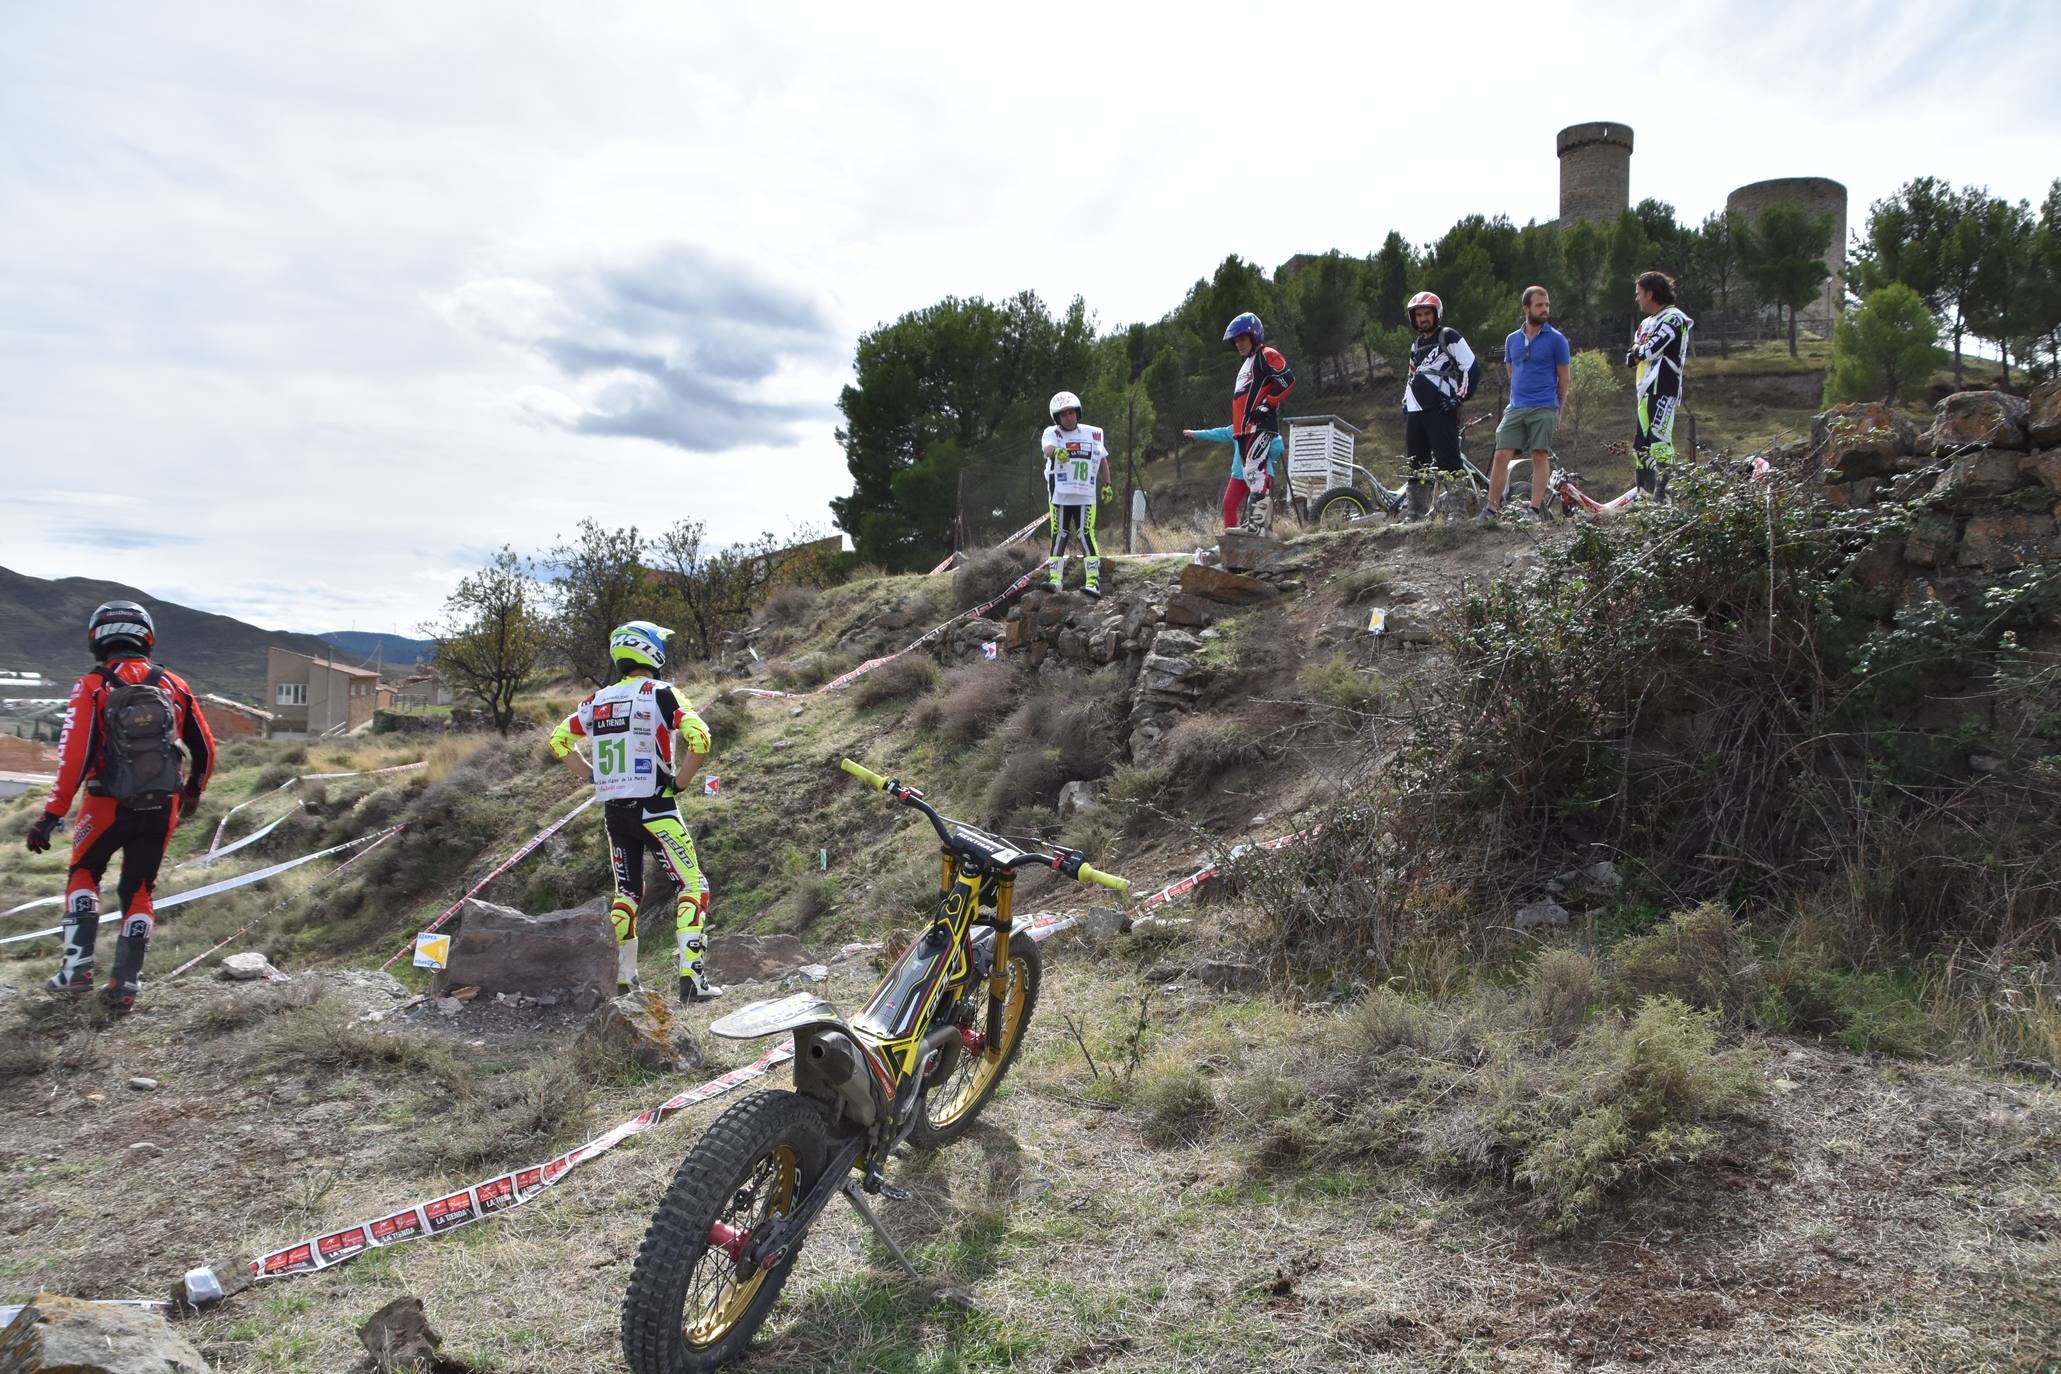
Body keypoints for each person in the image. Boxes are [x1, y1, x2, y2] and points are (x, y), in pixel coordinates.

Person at [27, 601, 216, 1012]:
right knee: (141, 888)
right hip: (161, 805)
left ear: (97, 638)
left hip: (105, 803)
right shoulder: (175, 685)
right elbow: (205, 748)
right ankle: (126, 984)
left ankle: (76, 970)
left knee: (84, 872)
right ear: (146, 637)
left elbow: (73, 757)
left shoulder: (92, 685)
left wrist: (52, 815)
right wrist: (192, 793)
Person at [548, 621, 720, 1003]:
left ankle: (625, 982)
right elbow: (700, 737)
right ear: (651, 651)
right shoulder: (661, 693)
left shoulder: (594, 702)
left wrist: (592, 776)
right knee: (693, 886)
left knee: (626, 893)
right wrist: (681, 782)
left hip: (615, 812)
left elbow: (559, 741)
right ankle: (692, 981)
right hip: (656, 806)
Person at [1481, 285, 1571, 524]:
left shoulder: (1557, 340)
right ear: (1526, 308)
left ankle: (1533, 510)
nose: (1545, 309)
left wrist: (1558, 410)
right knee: (1501, 455)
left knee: (1539, 455)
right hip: (1516, 407)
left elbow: (1564, 378)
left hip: (1545, 407)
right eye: (1540, 305)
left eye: (1547, 305)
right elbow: (1512, 371)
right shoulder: (1512, 339)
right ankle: (1490, 510)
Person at [1400, 290, 1477, 519]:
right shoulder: (1416, 345)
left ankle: (1457, 513)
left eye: (1427, 313)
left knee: (1448, 460)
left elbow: (1471, 367)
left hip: (1441, 408)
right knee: (1416, 464)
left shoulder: (1449, 336)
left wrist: (1460, 398)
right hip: (1416, 412)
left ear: (1436, 314)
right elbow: (1411, 375)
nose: (1423, 318)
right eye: (1419, 314)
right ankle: (1415, 515)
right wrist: (1405, 401)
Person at [1223, 312, 1295, 533]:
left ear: (1254, 336)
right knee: (1249, 473)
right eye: (1236, 341)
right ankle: (1256, 524)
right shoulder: (1246, 363)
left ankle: (1258, 526)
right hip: (1243, 429)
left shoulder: (1266, 354)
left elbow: (1287, 380)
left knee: (1255, 470)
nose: (1238, 344)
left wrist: (1268, 403)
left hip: (1259, 425)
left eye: (1242, 339)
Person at [1626, 270, 1695, 500]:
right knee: (1640, 447)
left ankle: (1665, 496)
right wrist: (1639, 352)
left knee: (1660, 442)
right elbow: (1631, 357)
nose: (1637, 298)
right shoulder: (1646, 323)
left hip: (1664, 387)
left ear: (1650, 293)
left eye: (1639, 294)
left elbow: (1648, 350)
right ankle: (1644, 495)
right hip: (1643, 390)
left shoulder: (1674, 318)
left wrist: (1640, 352)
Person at [1040, 390, 1113, 597]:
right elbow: (1047, 448)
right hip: (1060, 495)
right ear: (1057, 418)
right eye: (1063, 414)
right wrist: (1056, 452)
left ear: (1077, 412)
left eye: (1071, 413)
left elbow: (1102, 460)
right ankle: (1055, 580)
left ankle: (1093, 582)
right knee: (1059, 534)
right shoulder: (1051, 432)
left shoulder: (1093, 433)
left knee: (1085, 534)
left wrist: (1106, 484)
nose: (1068, 417)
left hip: (1085, 495)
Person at [1182, 423, 1284, 531]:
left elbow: (1278, 446)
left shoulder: (1265, 427)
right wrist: (1197, 434)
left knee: (1260, 506)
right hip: (1239, 474)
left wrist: (1264, 458)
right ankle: (1230, 535)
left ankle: (1263, 535)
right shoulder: (1239, 426)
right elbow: (1220, 433)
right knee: (1229, 503)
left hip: (1261, 472)